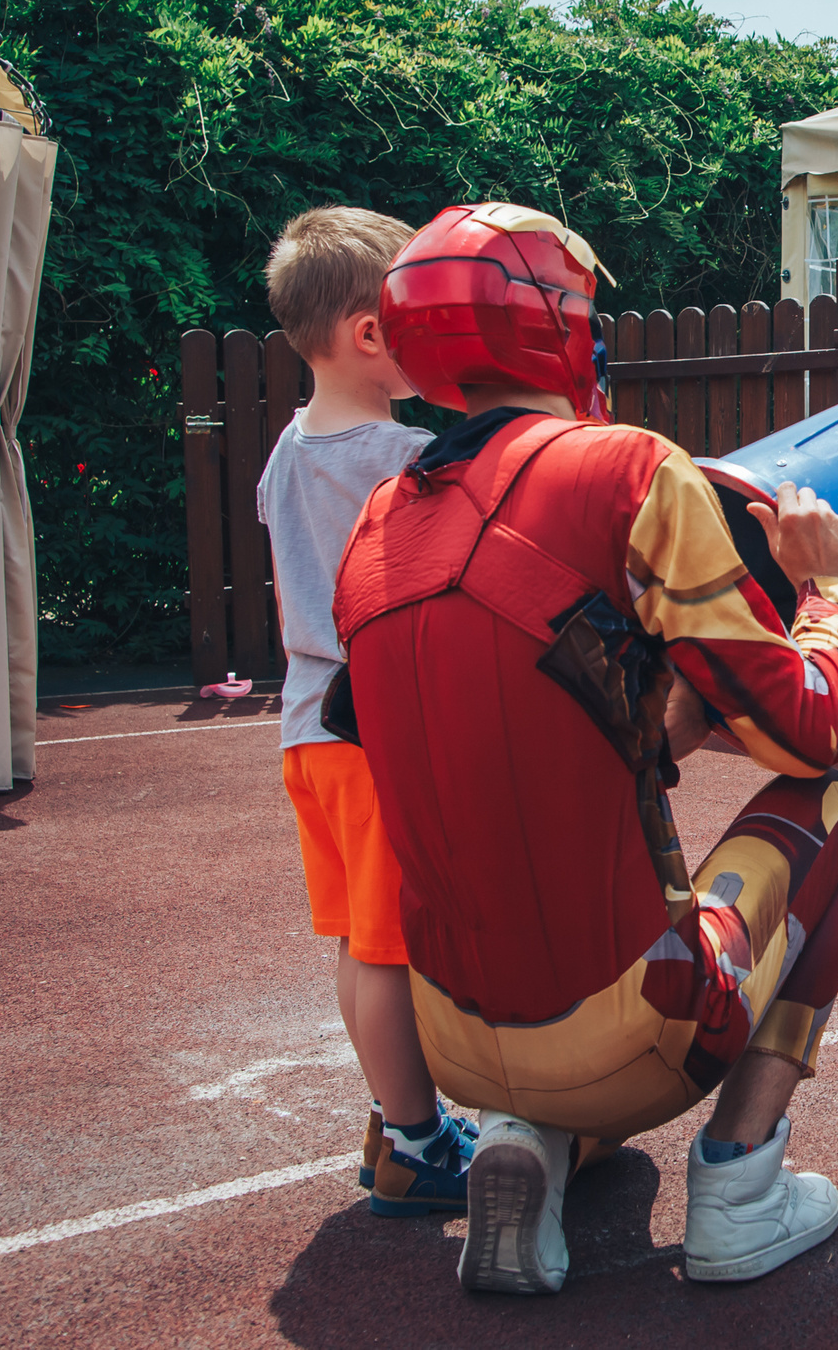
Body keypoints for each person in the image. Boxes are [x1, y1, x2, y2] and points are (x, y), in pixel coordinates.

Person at [330, 203, 838, 1295]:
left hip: (452, 1040)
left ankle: (522, 1145)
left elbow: (496, 725)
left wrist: (667, 710)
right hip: (636, 1034)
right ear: (560, 324)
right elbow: (808, 729)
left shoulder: (379, 518)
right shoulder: (627, 467)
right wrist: (830, 585)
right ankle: (739, 1185)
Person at [254, 205, 478, 1213]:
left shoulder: (287, 452)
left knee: (358, 940)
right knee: (388, 949)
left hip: (309, 730)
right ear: (371, 333)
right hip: (373, 727)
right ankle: (418, 1143)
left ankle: (395, 1120)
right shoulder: (402, 456)